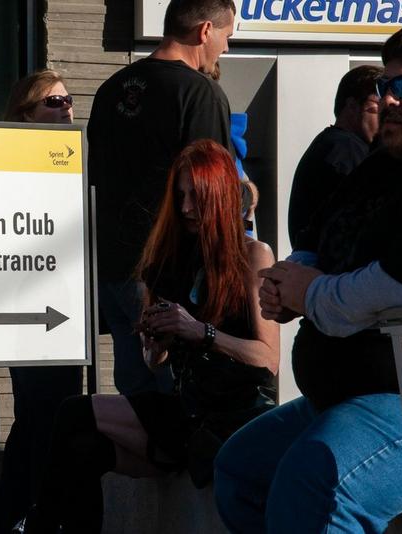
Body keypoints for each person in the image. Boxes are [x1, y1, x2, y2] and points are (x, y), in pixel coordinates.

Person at [214, 22, 402, 533]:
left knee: (314, 486)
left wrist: (310, 293)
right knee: (240, 471)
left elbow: (401, 284)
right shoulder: (382, 161)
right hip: (348, 393)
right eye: (384, 85)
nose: (388, 100)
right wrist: (285, 280)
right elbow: (322, 234)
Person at [16, 140, 278, 534]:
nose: (186, 207)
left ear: (221, 195)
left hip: (233, 417)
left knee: (75, 412)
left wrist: (199, 331)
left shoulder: (253, 255)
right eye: (181, 196)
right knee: (85, 448)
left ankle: (38, 525)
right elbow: (155, 362)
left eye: (196, 196)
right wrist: (156, 344)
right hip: (186, 411)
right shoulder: (173, 260)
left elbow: (267, 358)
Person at [88, 0, 236, 395]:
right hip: (168, 274)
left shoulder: (110, 90)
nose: (226, 48)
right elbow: (212, 190)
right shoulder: (200, 94)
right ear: (205, 31)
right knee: (180, 400)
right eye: (226, 36)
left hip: (113, 271)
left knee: (137, 405)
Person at [0, 70, 85, 534]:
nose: (66, 108)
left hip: (64, 304)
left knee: (37, 418)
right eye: (53, 102)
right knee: (46, 416)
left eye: (68, 100)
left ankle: (19, 516)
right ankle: (38, 517)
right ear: (25, 114)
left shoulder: (70, 160)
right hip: (31, 307)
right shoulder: (12, 165)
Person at [287, 65, 383, 245]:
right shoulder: (345, 149)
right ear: (352, 106)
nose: (386, 118)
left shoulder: (332, 144)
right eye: (377, 109)